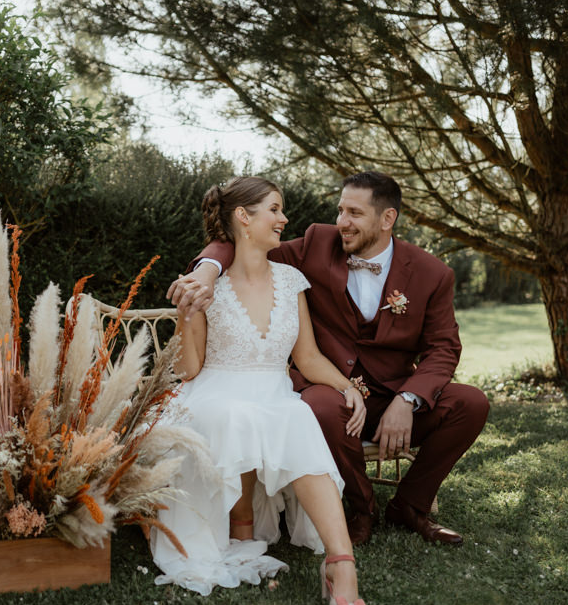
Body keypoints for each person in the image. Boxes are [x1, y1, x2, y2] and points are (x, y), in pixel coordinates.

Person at [169, 171, 489, 547]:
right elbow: (241, 242)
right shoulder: (318, 244)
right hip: (332, 394)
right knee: (317, 407)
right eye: (340, 210)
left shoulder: (432, 274)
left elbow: (444, 348)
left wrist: (407, 400)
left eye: (354, 213)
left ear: (387, 219)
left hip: (394, 398)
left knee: (470, 403)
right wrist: (206, 270)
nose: (341, 223)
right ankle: (362, 509)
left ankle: (409, 505)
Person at [150, 176, 369, 605]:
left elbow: (306, 358)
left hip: (273, 390)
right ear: (243, 218)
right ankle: (239, 529)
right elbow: (189, 369)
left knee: (297, 415)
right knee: (239, 415)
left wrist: (349, 388)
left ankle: (341, 563)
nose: (283, 219)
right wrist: (185, 318)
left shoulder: (291, 280)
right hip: (214, 393)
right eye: (274, 209)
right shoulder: (207, 285)